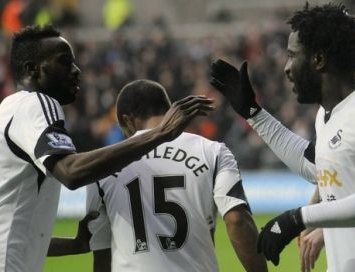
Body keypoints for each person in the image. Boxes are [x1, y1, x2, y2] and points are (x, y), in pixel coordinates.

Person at [209, 3, 355, 272]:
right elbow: (325, 168)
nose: (286, 67)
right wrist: (254, 115)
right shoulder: (329, 112)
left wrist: (301, 218)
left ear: (319, 58)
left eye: (293, 55)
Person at [0, 25, 213, 272]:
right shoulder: (37, 102)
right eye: (64, 62)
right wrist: (160, 134)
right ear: (32, 69)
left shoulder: (2, 115)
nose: (76, 71)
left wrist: (77, 244)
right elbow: (71, 172)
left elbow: (10, 236)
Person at [86, 79, 267, 272]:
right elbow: (237, 220)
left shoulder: (101, 167)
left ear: (127, 120)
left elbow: (102, 253)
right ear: (169, 110)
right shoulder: (212, 151)